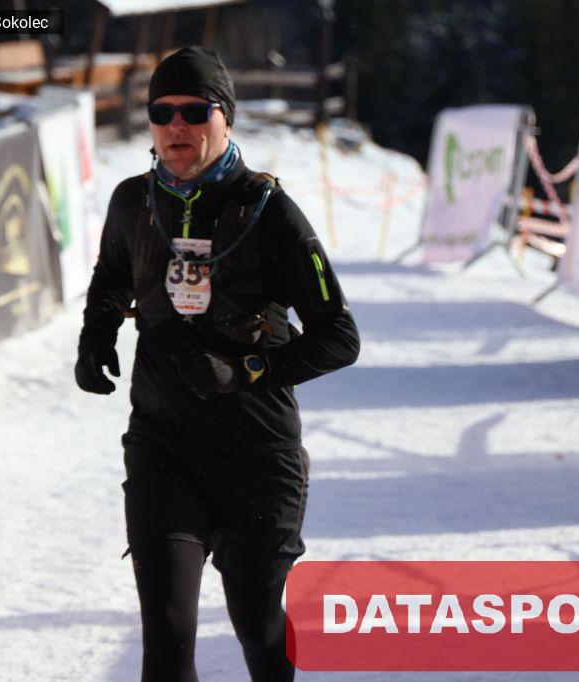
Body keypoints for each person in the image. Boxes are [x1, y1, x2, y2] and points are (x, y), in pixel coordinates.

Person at [75, 46, 360, 682]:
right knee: (167, 636)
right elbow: (113, 272)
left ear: (225, 116)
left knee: (258, 628)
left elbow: (339, 337)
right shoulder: (132, 201)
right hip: (163, 447)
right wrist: (96, 334)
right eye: (162, 112)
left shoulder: (270, 213)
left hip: (255, 454)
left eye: (195, 111)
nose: (177, 126)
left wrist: (247, 371)